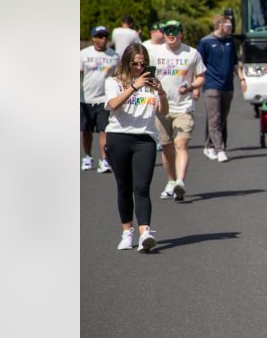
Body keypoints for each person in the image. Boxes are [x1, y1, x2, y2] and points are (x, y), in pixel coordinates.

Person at [104, 43, 168, 252]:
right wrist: (134, 86)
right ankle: (127, 232)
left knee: (141, 187)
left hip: (145, 139)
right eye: (135, 63)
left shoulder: (151, 83)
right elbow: (113, 105)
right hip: (118, 137)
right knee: (124, 187)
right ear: (126, 62)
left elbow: (163, 111)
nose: (140, 67)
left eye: (143, 63)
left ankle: (145, 234)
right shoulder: (114, 81)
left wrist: (162, 93)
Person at [150, 21, 205, 202]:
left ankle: (180, 181)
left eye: (174, 31)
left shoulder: (192, 53)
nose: (171, 34)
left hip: (183, 107)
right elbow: (148, 76)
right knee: (166, 147)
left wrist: (190, 87)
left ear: (181, 34)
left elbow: (201, 77)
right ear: (163, 34)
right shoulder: (155, 53)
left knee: (181, 144)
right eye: (167, 31)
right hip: (161, 108)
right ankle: (171, 181)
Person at [197, 13, 246, 162]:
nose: (232, 28)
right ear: (221, 26)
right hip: (212, 84)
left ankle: (208, 146)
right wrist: (195, 86)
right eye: (229, 26)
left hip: (228, 86)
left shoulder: (230, 42)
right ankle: (220, 150)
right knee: (214, 118)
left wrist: (242, 79)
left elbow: (235, 63)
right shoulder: (206, 42)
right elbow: (198, 65)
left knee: (222, 118)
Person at [81, 26, 119, 173]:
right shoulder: (84, 54)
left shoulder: (114, 56)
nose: (103, 39)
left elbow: (117, 76)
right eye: (100, 36)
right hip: (86, 98)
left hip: (105, 99)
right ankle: (87, 156)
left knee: (104, 131)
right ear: (93, 38)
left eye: (105, 36)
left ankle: (104, 160)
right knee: (86, 131)